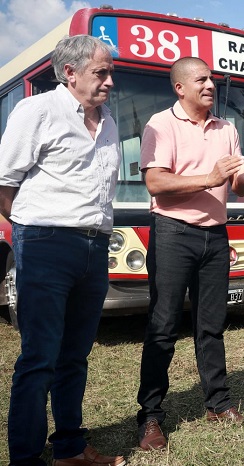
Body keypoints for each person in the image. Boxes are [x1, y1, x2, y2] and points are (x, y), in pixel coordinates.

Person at [0, 35, 125, 466]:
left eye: (111, 72)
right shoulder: (37, 111)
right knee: (40, 356)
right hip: (46, 244)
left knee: (75, 354)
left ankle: (69, 449)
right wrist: (33, 231)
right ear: (69, 73)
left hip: (95, 247)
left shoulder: (109, 122)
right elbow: (5, 184)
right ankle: (26, 458)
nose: (110, 80)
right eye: (101, 72)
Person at [136, 56, 244, 450]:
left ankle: (218, 403)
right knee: (163, 326)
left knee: (212, 325)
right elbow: (156, 182)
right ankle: (151, 416)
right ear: (180, 87)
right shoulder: (160, 124)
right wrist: (210, 178)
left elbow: (237, 187)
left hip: (215, 235)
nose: (210, 85)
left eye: (212, 79)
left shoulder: (227, 128)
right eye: (202, 79)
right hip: (173, 233)